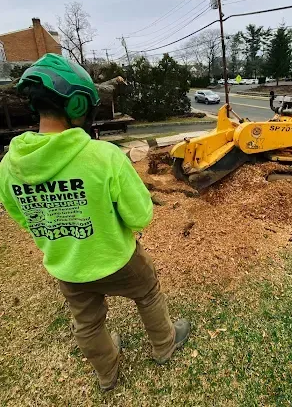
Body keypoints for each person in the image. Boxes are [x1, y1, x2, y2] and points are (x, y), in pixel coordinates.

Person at [0, 53, 190, 391]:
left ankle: (107, 373)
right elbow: (140, 215)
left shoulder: (8, 166)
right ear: (77, 106)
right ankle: (165, 344)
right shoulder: (103, 157)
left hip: (67, 265)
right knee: (147, 292)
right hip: (117, 257)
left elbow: (23, 217)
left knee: (86, 322)